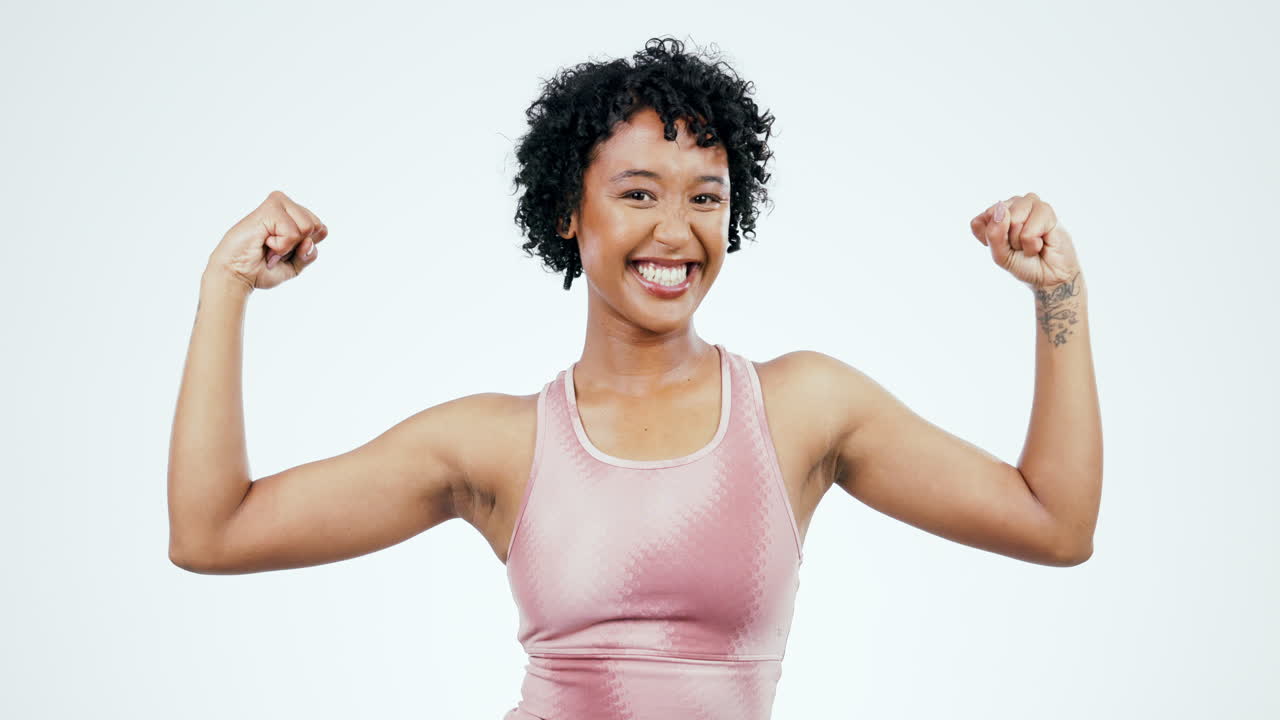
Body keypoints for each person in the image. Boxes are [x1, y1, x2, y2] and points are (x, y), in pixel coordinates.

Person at [167, 37, 1103, 720]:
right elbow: (213, 534)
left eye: (706, 197)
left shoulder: (804, 411)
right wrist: (225, 287)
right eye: (638, 192)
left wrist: (1058, 293)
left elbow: (1054, 524)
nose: (675, 230)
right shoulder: (497, 444)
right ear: (568, 212)